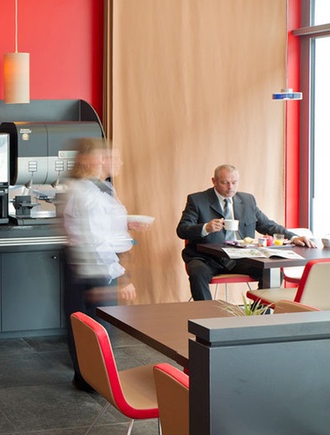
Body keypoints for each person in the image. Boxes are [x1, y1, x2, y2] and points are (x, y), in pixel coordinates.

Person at [62, 138, 148, 392]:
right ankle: (92, 380)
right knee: (94, 328)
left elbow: (104, 225)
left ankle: (91, 377)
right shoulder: (85, 192)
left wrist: (126, 223)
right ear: (98, 160)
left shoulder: (103, 188)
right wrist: (120, 275)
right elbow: (94, 240)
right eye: (114, 156)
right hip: (93, 268)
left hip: (95, 266)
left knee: (97, 326)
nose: (119, 161)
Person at [176, 164, 317, 301]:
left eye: (234, 182)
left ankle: (259, 315)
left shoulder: (248, 200)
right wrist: (206, 228)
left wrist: (293, 237)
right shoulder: (197, 200)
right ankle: (206, 317)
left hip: (240, 257)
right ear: (214, 181)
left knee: (272, 273)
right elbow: (182, 230)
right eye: (224, 182)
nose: (230, 187)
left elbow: (267, 225)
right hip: (206, 258)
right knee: (197, 273)